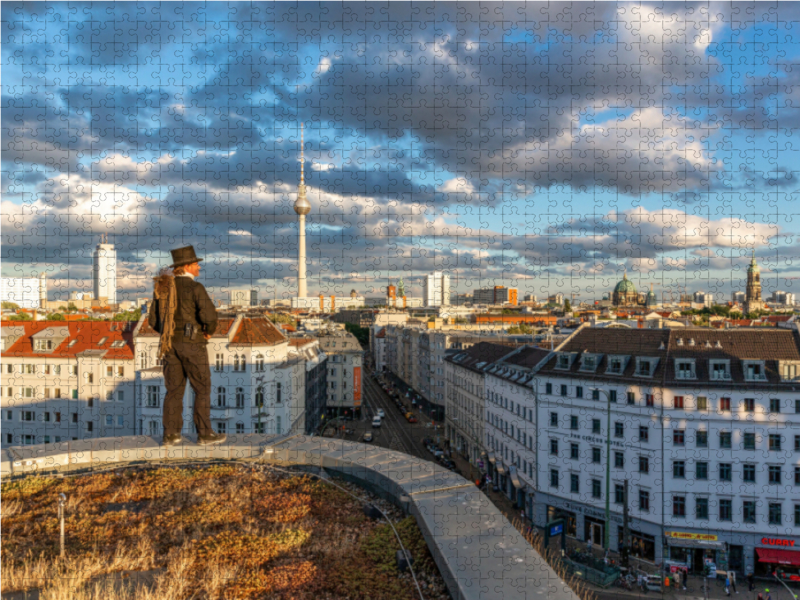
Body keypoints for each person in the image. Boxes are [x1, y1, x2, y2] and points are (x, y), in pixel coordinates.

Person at [148, 245, 226, 446]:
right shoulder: (195, 288)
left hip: (169, 346)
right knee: (202, 388)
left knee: (173, 390)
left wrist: (169, 332)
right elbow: (209, 316)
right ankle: (205, 434)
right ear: (188, 266)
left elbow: (153, 321)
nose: (199, 268)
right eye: (196, 264)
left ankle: (171, 435)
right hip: (192, 344)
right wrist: (207, 331)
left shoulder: (164, 288)